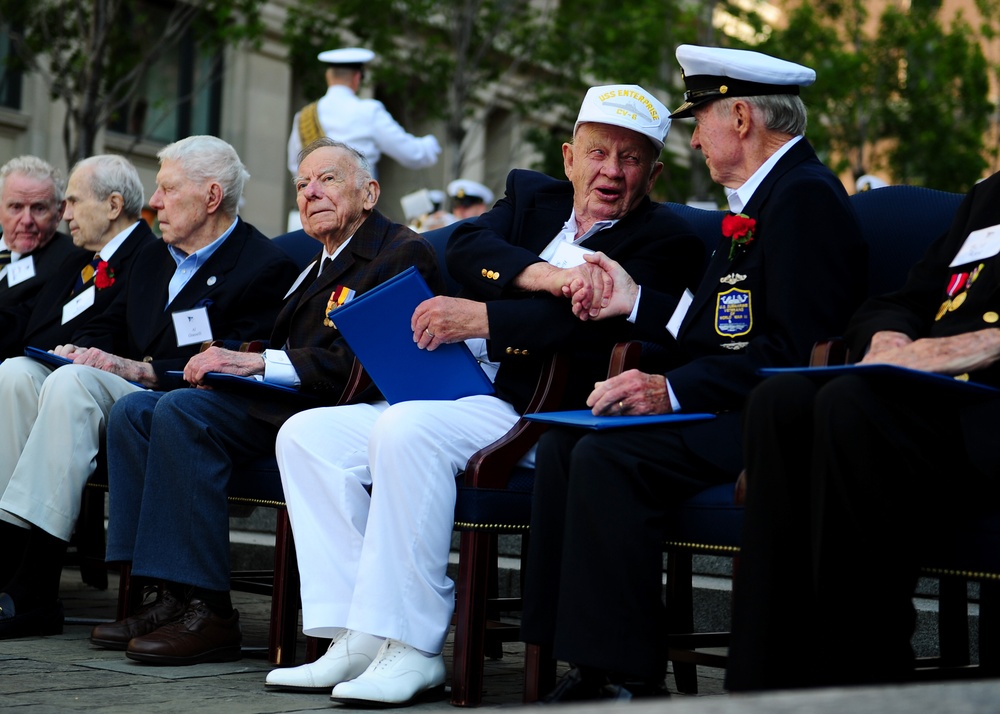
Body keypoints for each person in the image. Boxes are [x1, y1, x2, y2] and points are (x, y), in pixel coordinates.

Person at [263, 83, 704, 707]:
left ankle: (412, 647)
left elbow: (583, 326)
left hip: (535, 411)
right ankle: (352, 634)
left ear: (653, 172)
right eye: (598, 152)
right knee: (306, 435)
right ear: (569, 156)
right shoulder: (532, 197)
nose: (610, 171)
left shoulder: (666, 238)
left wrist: (485, 320)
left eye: (630, 159)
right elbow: (467, 246)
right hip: (453, 389)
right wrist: (548, 275)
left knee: (405, 431)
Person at [519, 45, 869, 702]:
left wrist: (671, 389)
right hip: (730, 400)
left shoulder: (803, 200)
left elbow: (794, 351)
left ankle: (624, 677)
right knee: (566, 445)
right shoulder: (765, 198)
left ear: (739, 117)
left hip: (770, 420)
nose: (695, 138)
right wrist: (639, 307)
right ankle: (569, 658)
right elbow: (725, 327)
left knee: (607, 458)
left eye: (699, 118)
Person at [91, 137, 443, 666]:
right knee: (135, 410)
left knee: (181, 411)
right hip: (282, 399)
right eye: (302, 184)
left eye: (327, 179)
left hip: (330, 412)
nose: (310, 192)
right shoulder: (314, 261)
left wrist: (254, 364)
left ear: (369, 192)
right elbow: (280, 344)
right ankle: (166, 593)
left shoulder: (397, 252)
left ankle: (210, 612)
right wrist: (232, 356)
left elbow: (363, 367)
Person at [0, 135, 298, 640]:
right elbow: (106, 324)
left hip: (188, 400)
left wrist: (142, 367)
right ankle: (6, 555)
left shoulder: (262, 265)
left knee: (73, 386)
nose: (153, 201)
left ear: (210, 197)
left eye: (165, 189)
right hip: (135, 391)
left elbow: (232, 360)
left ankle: (35, 582)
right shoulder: (154, 258)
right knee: (16, 374)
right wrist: (81, 347)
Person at [726, 170, 1000, 691]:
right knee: (780, 403)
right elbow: (908, 298)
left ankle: (859, 687)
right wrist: (889, 338)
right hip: (935, 407)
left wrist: (986, 343)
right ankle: (760, 691)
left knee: (851, 405)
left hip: (988, 417)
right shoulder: (992, 196)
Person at [0, 154, 156, 358]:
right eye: (16, 207)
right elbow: (32, 317)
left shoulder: (150, 257)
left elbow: (117, 330)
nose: (67, 215)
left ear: (113, 206)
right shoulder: (81, 258)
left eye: (74, 202)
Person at [286, 47, 440, 178]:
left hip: (317, 209)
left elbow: (296, 166)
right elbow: (412, 155)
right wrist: (431, 144)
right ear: (357, 77)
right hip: (357, 211)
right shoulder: (369, 111)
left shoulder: (304, 117)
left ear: (328, 76)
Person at [0, 156, 85, 309]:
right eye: (16, 207)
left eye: (39, 208)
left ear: (60, 211)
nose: (26, 221)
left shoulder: (71, 261)